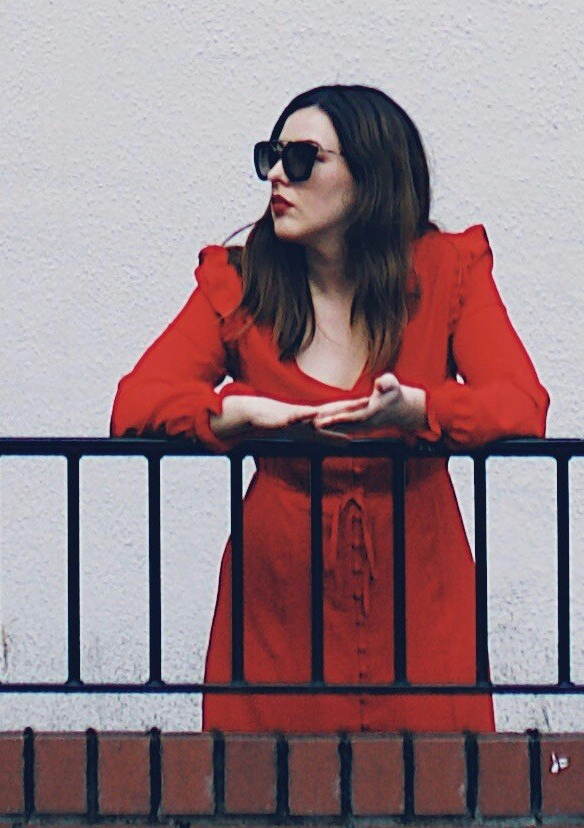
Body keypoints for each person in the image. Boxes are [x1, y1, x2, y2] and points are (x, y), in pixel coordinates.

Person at [111, 83, 545, 725]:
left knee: (427, 786)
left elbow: (520, 403)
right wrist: (233, 413)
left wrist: (422, 411)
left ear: (369, 176)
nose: (278, 176)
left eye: (304, 158)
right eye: (272, 156)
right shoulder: (240, 280)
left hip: (417, 579)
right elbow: (135, 402)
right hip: (281, 585)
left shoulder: (447, 269)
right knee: (270, 792)